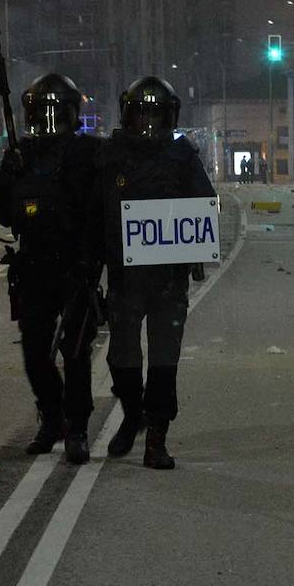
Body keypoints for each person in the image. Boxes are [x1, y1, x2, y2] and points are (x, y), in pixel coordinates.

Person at [94, 76, 215, 469]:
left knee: (164, 360)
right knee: (122, 357)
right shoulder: (110, 156)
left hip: (167, 280)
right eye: (141, 114)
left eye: (155, 115)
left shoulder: (182, 158)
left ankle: (156, 439)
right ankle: (133, 415)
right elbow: (91, 212)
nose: (148, 124)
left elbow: (205, 204)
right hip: (126, 280)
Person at [0, 73, 101, 464]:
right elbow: (4, 214)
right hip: (35, 265)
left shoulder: (88, 153)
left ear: (73, 114)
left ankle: (77, 427)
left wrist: (93, 262)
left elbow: (104, 209)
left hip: (75, 266)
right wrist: (10, 174)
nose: (49, 121)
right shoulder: (21, 154)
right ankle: (51, 417)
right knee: (36, 353)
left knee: (74, 353)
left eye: (58, 112)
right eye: (43, 112)